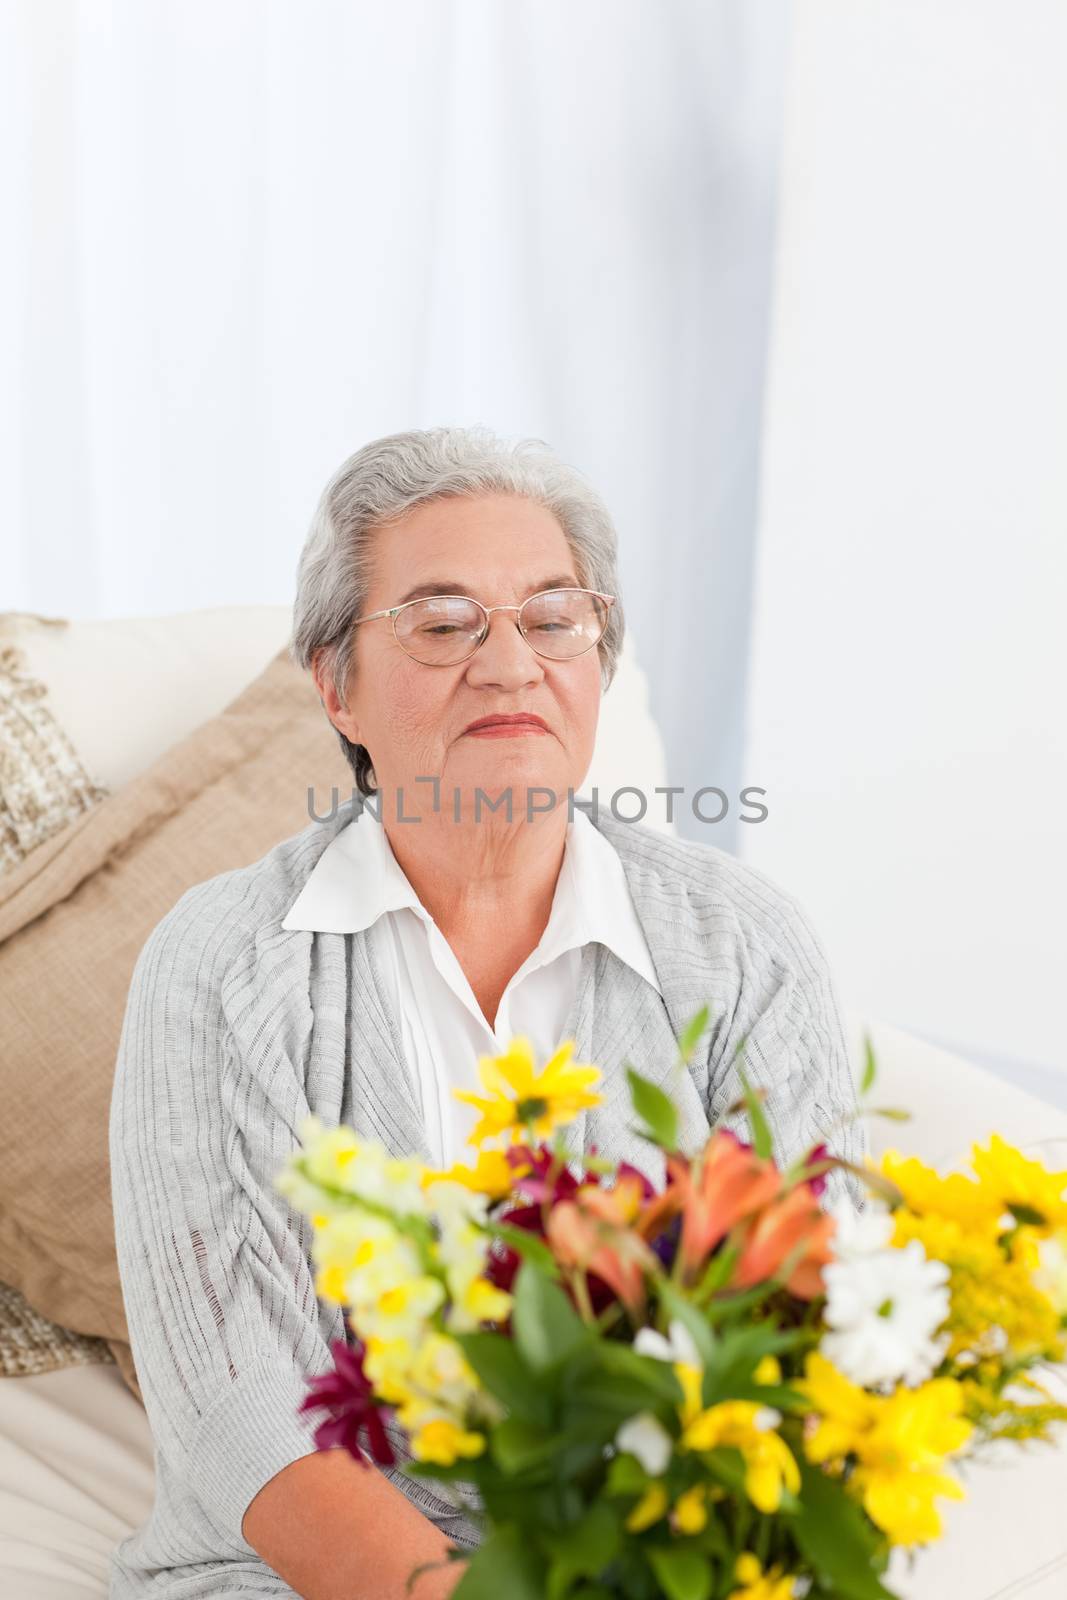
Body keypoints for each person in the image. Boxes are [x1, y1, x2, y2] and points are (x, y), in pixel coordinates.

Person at [108, 425, 866, 1599]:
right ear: (337, 686)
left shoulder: (742, 944)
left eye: (552, 618)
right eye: (443, 620)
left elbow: (818, 1324)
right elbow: (236, 1408)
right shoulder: (217, 963)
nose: (510, 664)